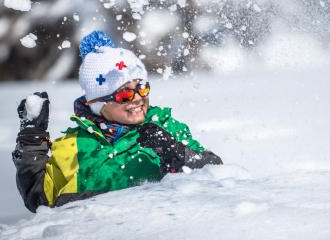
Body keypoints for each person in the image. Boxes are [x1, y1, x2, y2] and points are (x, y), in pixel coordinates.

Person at [12, 31, 222, 212]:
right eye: (124, 94)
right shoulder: (73, 146)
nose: (138, 98)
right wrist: (31, 141)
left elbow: (214, 171)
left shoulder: (164, 127)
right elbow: (40, 199)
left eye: (142, 88)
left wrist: (174, 153)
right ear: (97, 102)